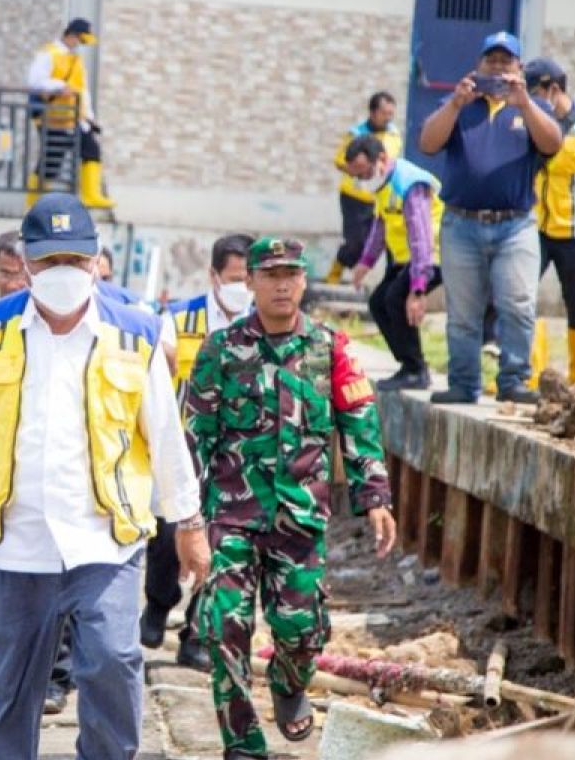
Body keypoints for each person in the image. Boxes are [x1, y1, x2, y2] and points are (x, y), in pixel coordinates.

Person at [0, 193, 209, 760]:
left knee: (114, 663)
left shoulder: (135, 332)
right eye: (49, 262)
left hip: (105, 540)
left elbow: (166, 434)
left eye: (74, 260)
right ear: (26, 263)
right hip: (13, 546)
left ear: (96, 260)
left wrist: (188, 521)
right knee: (7, 692)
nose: (62, 273)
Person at [185, 237, 396, 760]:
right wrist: (184, 518)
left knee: (302, 630)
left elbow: (359, 424)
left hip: (300, 517)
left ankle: (288, 680)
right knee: (225, 623)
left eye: (291, 274)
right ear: (250, 281)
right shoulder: (220, 350)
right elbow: (192, 437)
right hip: (232, 516)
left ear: (303, 281)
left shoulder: (332, 349)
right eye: (270, 274)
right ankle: (242, 741)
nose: (282, 283)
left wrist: (374, 497)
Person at [419, 31, 563, 405]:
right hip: (461, 223)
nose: (497, 67)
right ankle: (464, 384)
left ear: (518, 67)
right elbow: (428, 143)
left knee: (517, 304)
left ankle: (514, 381)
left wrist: (525, 103)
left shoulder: (534, 108)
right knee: (463, 313)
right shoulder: (459, 104)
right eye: (491, 60)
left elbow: (552, 145)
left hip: (515, 225)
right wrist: (454, 104)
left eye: (506, 61)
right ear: (479, 64)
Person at [141, 233, 253, 668]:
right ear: (213, 276)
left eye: (247, 278)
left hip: (236, 451)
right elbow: (161, 358)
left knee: (221, 544)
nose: (240, 286)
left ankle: (195, 634)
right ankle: (158, 601)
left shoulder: (261, 322)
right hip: (185, 445)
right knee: (170, 533)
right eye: (233, 278)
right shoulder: (181, 318)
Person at [346, 135, 444, 390]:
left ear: (380, 160)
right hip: (406, 259)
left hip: (432, 257)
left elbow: (421, 235)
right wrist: (365, 262)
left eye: (364, 173)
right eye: (356, 176)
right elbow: (381, 226)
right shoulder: (383, 184)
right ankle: (408, 365)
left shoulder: (409, 183)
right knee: (378, 303)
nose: (361, 181)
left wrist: (418, 288)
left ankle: (416, 370)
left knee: (395, 299)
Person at [525, 57, 575, 384]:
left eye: (535, 92)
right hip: (538, 229)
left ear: (553, 90)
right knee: (520, 297)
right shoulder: (532, 124)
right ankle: (527, 371)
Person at [26, 18, 114, 210]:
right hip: (52, 116)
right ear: (71, 35)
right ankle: (33, 204)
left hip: (75, 117)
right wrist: (60, 86)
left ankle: (91, 194)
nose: (81, 45)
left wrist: (89, 116)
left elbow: (82, 90)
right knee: (52, 159)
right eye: (80, 40)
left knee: (91, 149)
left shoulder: (76, 60)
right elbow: (35, 81)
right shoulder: (48, 54)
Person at [328, 92, 402, 283]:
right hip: (354, 197)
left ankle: (364, 279)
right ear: (373, 112)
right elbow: (339, 160)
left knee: (375, 242)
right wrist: (359, 171)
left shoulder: (393, 134)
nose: (388, 118)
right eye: (385, 113)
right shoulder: (356, 134)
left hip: (379, 198)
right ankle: (334, 275)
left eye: (391, 114)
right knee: (356, 242)